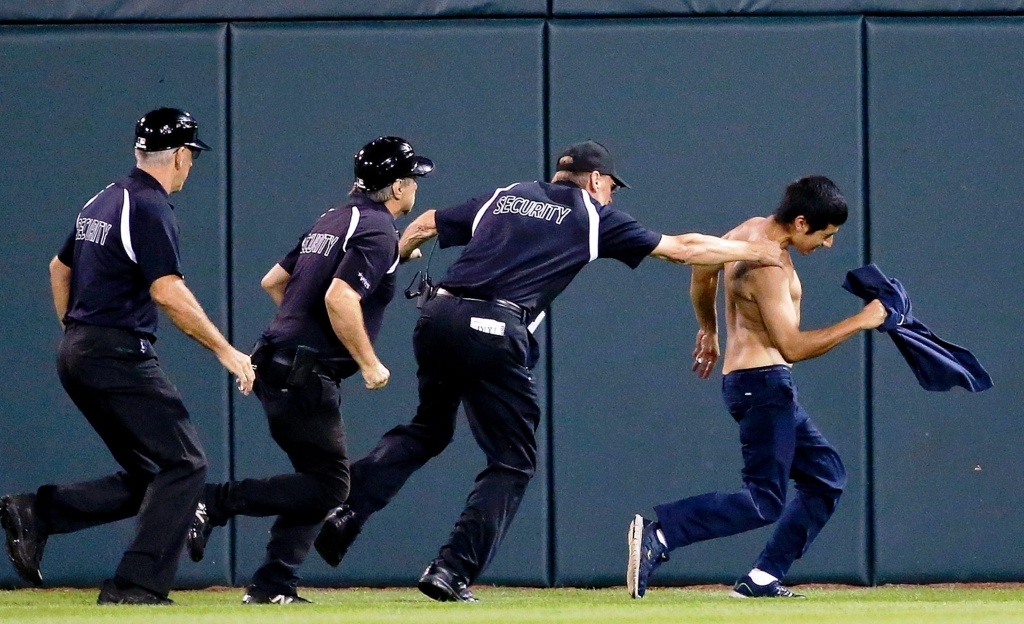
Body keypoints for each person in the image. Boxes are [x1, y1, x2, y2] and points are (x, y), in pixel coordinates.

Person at [312, 140, 785, 602]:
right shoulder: (591, 215)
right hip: (492, 328)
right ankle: (451, 569)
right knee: (513, 460)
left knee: (428, 429)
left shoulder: (509, 193)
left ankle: (346, 510)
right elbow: (682, 248)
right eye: (611, 187)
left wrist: (397, 255)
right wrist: (754, 252)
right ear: (596, 180)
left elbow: (429, 221)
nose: (612, 195)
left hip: (438, 317)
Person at [0, 108, 255, 605]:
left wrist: (78, 332)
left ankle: (38, 513)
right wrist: (225, 350)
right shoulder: (149, 206)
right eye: (191, 157)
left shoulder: (104, 199)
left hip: (81, 349)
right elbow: (167, 291)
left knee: (156, 476)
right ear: (180, 156)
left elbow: (59, 267)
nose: (191, 166)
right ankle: (134, 587)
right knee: (185, 465)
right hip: (116, 352)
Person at [184, 136, 433, 604]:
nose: (416, 187)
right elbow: (339, 297)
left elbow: (274, 281)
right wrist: (369, 363)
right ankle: (213, 502)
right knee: (331, 485)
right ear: (398, 187)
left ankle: (273, 584)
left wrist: (305, 331)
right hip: (301, 373)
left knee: (315, 483)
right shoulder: (376, 228)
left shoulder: (336, 218)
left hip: (277, 361)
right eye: (413, 179)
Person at [626, 175, 888, 600]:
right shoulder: (770, 267)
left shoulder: (748, 231)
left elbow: (702, 269)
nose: (828, 245)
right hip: (764, 385)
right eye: (826, 235)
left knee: (826, 477)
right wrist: (862, 320)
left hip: (755, 384)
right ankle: (663, 533)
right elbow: (793, 345)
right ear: (801, 223)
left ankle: (763, 578)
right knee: (764, 500)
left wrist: (708, 329)